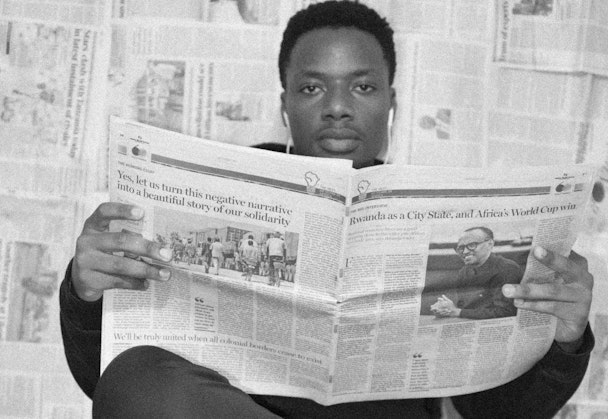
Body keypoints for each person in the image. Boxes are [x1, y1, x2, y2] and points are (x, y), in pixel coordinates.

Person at [60, 2, 594, 418]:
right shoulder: (204, 191)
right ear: (284, 103)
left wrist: (564, 339)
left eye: (362, 87)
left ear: (392, 102)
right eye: (312, 87)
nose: (337, 107)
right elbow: (108, 388)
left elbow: (495, 412)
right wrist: (86, 292)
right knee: (136, 378)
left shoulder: (451, 223)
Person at [430, 227, 522, 319]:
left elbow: (505, 312)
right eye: (461, 248)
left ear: (490, 244)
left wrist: (457, 312)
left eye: (472, 245)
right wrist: (446, 310)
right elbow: (465, 308)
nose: (465, 252)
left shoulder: (507, 269)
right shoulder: (465, 271)